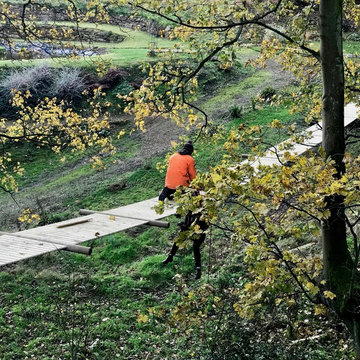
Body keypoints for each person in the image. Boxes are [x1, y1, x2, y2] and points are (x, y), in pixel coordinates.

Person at [162, 211, 208, 279]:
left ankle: (198, 269)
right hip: (188, 228)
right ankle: (170, 257)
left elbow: (205, 224)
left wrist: (200, 230)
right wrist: (183, 224)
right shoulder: (190, 208)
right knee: (179, 240)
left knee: (196, 248)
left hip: (199, 231)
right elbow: (186, 218)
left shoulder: (202, 212)